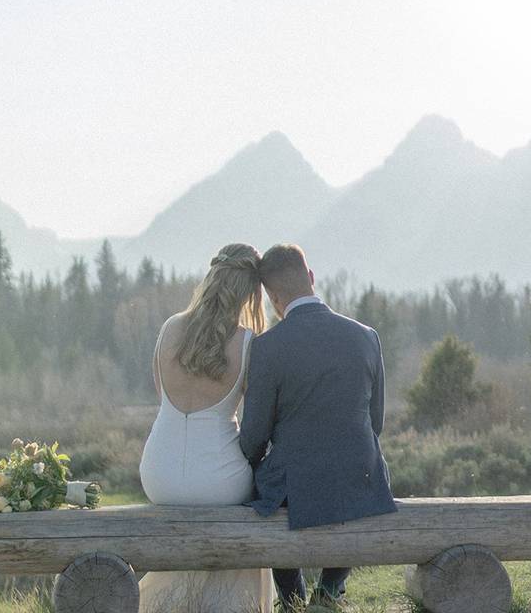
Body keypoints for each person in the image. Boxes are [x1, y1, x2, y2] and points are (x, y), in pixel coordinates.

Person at [240, 243, 397, 610]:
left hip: (294, 483)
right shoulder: (365, 336)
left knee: (268, 489)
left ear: (273, 298)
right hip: (360, 478)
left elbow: (254, 437)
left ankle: (292, 599)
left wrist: (251, 463)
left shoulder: (267, 347)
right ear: (311, 278)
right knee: (359, 473)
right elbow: (376, 422)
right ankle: (328, 591)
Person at [138, 242, 275, 613]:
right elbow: (256, 422)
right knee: (252, 501)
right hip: (219, 482)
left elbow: (160, 396)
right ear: (250, 292)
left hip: (159, 475)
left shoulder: (170, 329)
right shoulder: (247, 342)